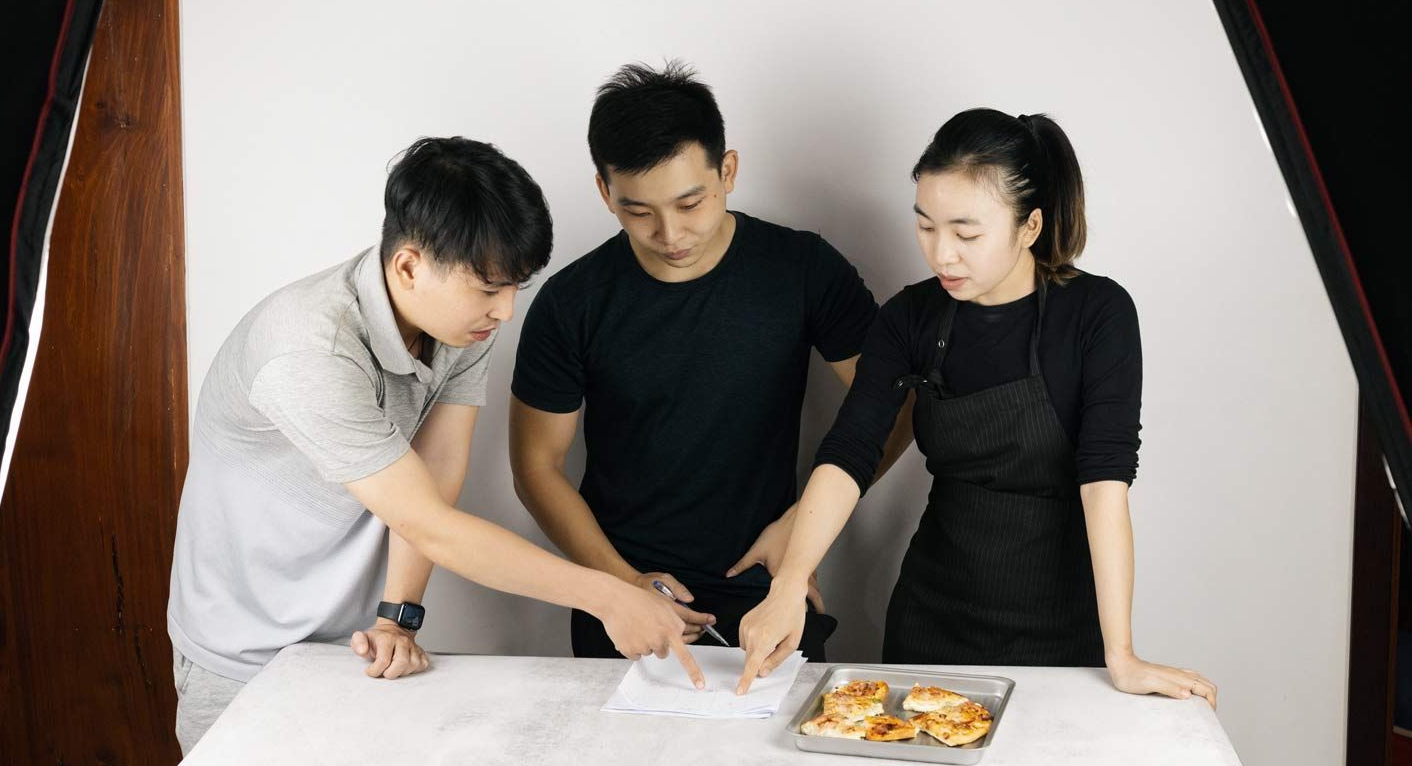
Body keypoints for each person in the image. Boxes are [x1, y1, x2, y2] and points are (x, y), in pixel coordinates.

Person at [167, 137, 702, 756]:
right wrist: (609, 595)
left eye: (515, 289)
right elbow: (434, 526)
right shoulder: (309, 354)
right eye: (489, 288)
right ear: (408, 267)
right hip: (242, 653)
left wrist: (400, 614)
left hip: (352, 647)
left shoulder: (459, 323)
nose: (505, 311)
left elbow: (436, 470)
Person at [733, 109, 1217, 709]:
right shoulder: (909, 318)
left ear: (1030, 225)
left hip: (1059, 623)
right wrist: (786, 586)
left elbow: (1105, 481)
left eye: (966, 233)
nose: (942, 255)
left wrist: (1121, 654)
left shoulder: (1098, 314)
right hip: (932, 614)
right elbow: (850, 451)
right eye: (925, 227)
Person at [509, 61, 913, 662]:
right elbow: (536, 466)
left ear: (727, 172)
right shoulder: (572, 302)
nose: (670, 233)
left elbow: (896, 404)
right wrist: (620, 583)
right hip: (624, 595)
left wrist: (804, 529)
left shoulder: (802, 269)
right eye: (637, 211)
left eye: (690, 202)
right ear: (605, 192)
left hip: (770, 585)